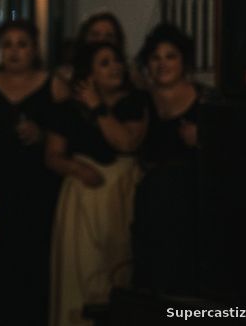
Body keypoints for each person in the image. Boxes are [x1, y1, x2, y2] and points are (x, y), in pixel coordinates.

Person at [0, 19, 61, 326]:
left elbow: (74, 127)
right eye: (8, 45)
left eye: (22, 44)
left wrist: (44, 135)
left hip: (37, 182)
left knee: (33, 253)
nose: (15, 51)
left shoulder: (52, 83)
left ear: (34, 48)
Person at [45, 42, 147, 326]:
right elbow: (52, 155)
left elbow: (126, 142)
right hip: (82, 195)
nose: (115, 67)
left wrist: (98, 107)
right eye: (104, 63)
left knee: (118, 267)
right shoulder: (68, 109)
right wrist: (77, 168)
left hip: (121, 192)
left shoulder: (133, 102)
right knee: (81, 269)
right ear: (88, 73)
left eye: (117, 61)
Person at [131, 23, 204, 296]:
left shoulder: (205, 100)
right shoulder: (142, 101)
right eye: (156, 57)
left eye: (170, 56)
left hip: (191, 199)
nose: (162, 64)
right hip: (152, 200)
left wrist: (201, 141)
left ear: (184, 60)